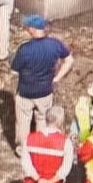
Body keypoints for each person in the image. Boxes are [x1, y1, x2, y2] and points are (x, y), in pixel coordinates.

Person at [10, 15, 74, 151]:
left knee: (23, 122)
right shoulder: (55, 44)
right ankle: (40, 148)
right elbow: (69, 60)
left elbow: (14, 71)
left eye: (28, 27)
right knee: (42, 120)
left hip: (25, 93)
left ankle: (23, 149)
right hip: (45, 92)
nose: (26, 29)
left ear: (33, 29)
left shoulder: (25, 49)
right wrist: (57, 78)